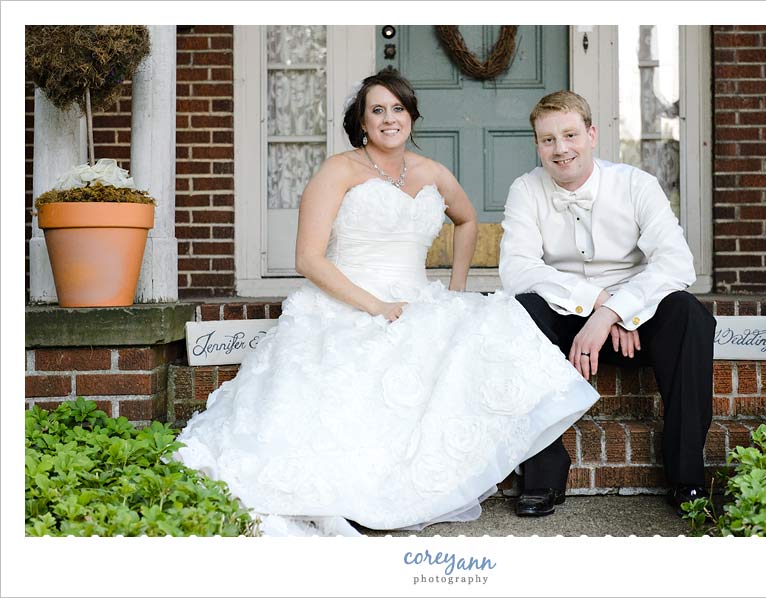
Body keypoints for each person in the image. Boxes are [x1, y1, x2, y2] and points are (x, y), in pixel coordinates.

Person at [173, 69, 599, 536]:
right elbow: (308, 259)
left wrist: (454, 291)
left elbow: (467, 221)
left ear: (412, 117)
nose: (389, 118)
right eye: (377, 110)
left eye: (398, 108)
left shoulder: (431, 172)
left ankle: (539, 469)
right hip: (347, 302)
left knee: (497, 324)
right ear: (361, 122)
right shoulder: (338, 170)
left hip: (419, 301)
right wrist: (375, 306)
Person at [499, 90, 716, 517]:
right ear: (537, 144)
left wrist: (619, 311)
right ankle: (542, 473)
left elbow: (677, 262)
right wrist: (598, 303)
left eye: (570, 135)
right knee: (520, 310)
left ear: (592, 134)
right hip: (566, 323)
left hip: (639, 325)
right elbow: (517, 270)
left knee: (690, 314)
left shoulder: (636, 185)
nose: (561, 149)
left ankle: (687, 476)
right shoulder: (525, 190)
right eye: (548, 140)